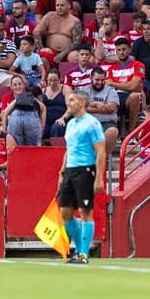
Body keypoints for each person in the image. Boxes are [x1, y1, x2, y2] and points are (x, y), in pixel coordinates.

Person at [57, 90, 107, 264]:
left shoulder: (92, 124)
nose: (68, 103)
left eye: (72, 100)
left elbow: (101, 151)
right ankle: (79, 249)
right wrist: (62, 172)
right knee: (65, 213)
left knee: (86, 212)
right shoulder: (70, 124)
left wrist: (99, 177)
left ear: (82, 103)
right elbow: (69, 149)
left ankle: (83, 254)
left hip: (85, 169)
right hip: (70, 170)